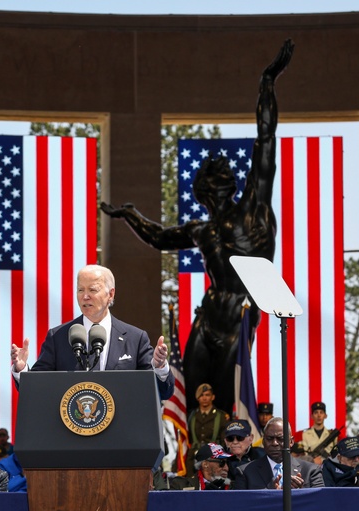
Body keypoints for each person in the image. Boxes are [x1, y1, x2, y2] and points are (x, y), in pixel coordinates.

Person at [99, 41, 294, 415]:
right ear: (204, 188)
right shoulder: (201, 229)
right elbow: (159, 238)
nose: (216, 175)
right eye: (210, 174)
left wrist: (268, 81)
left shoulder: (253, 208)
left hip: (239, 314)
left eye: (220, 172)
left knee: (223, 396)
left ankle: (225, 459)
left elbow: (265, 141)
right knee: (192, 394)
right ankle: (195, 461)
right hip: (207, 317)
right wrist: (130, 215)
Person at [10, 265, 174, 401]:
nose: (85, 296)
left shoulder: (135, 338)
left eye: (92, 290)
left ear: (110, 294)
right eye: (80, 290)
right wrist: (22, 369)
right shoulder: (58, 337)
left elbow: (162, 392)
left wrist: (159, 367)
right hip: (71, 434)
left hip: (120, 436)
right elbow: (37, 390)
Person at [233, 417, 324, 489]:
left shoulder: (311, 471)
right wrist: (272, 495)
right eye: (269, 438)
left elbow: (319, 504)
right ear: (263, 441)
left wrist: (298, 493)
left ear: (291, 442)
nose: (274, 443)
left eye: (281, 439)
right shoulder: (245, 472)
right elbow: (241, 508)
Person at [185, 383, 230, 475]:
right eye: (201, 395)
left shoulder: (221, 416)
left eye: (207, 395)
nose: (204, 398)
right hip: (193, 458)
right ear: (197, 398)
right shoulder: (191, 416)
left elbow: (224, 441)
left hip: (213, 458)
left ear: (213, 397)